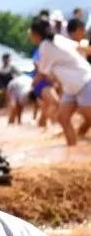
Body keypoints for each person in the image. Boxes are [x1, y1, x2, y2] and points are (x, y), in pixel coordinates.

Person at [29, 16, 91, 146]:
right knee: (63, 118)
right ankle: (73, 150)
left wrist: (31, 85)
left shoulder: (45, 46)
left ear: (35, 34)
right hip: (72, 86)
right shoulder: (57, 39)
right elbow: (81, 47)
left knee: (87, 117)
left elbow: (42, 73)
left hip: (83, 81)